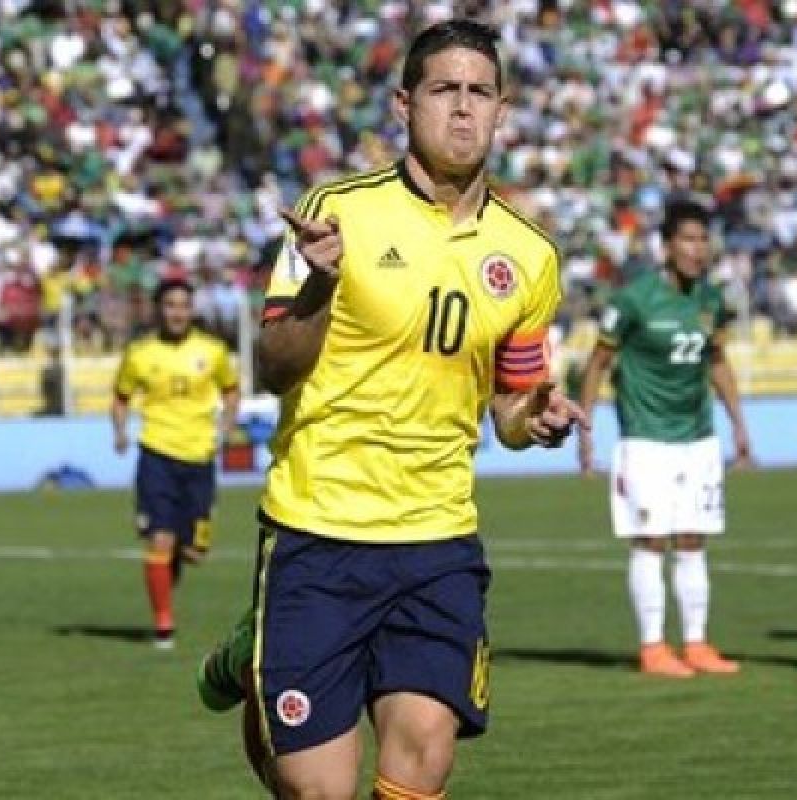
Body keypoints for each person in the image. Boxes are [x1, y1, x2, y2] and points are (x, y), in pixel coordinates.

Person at [195, 20, 586, 800]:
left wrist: (531, 419)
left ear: (503, 110)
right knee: (320, 792)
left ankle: (265, 658)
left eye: (480, 93)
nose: (463, 110)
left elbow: (509, 407)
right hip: (320, 529)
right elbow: (274, 369)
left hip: (437, 538)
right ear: (405, 104)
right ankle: (257, 659)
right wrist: (319, 287)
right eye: (445, 90)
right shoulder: (335, 212)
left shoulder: (532, 256)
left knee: (424, 756)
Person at [576, 201, 752, 678]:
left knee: (694, 540)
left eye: (703, 240)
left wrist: (738, 423)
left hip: (698, 438)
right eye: (689, 240)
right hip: (646, 440)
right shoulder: (633, 300)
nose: (698, 249)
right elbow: (598, 362)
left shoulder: (710, 300)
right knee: (651, 541)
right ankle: (653, 647)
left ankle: (696, 643)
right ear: (667, 246)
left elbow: (716, 361)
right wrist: (586, 427)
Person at [111, 278, 239, 649]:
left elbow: (231, 392)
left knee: (194, 551)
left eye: (183, 305)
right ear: (158, 309)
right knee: (160, 541)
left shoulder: (213, 351)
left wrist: (227, 425)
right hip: (157, 456)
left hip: (200, 458)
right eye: (170, 305)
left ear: (192, 309)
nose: (177, 312)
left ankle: (171, 566)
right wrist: (119, 431)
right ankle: (163, 624)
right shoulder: (139, 354)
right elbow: (121, 397)